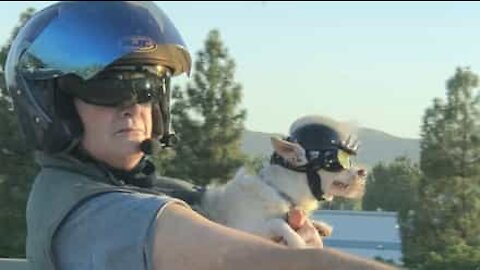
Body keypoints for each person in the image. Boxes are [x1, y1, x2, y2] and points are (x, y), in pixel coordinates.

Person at [5, 2, 395, 270]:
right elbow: (246, 261)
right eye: (106, 88)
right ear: (53, 107)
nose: (132, 107)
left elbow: (226, 215)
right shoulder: (93, 214)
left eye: (146, 89)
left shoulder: (149, 188)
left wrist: (280, 229)